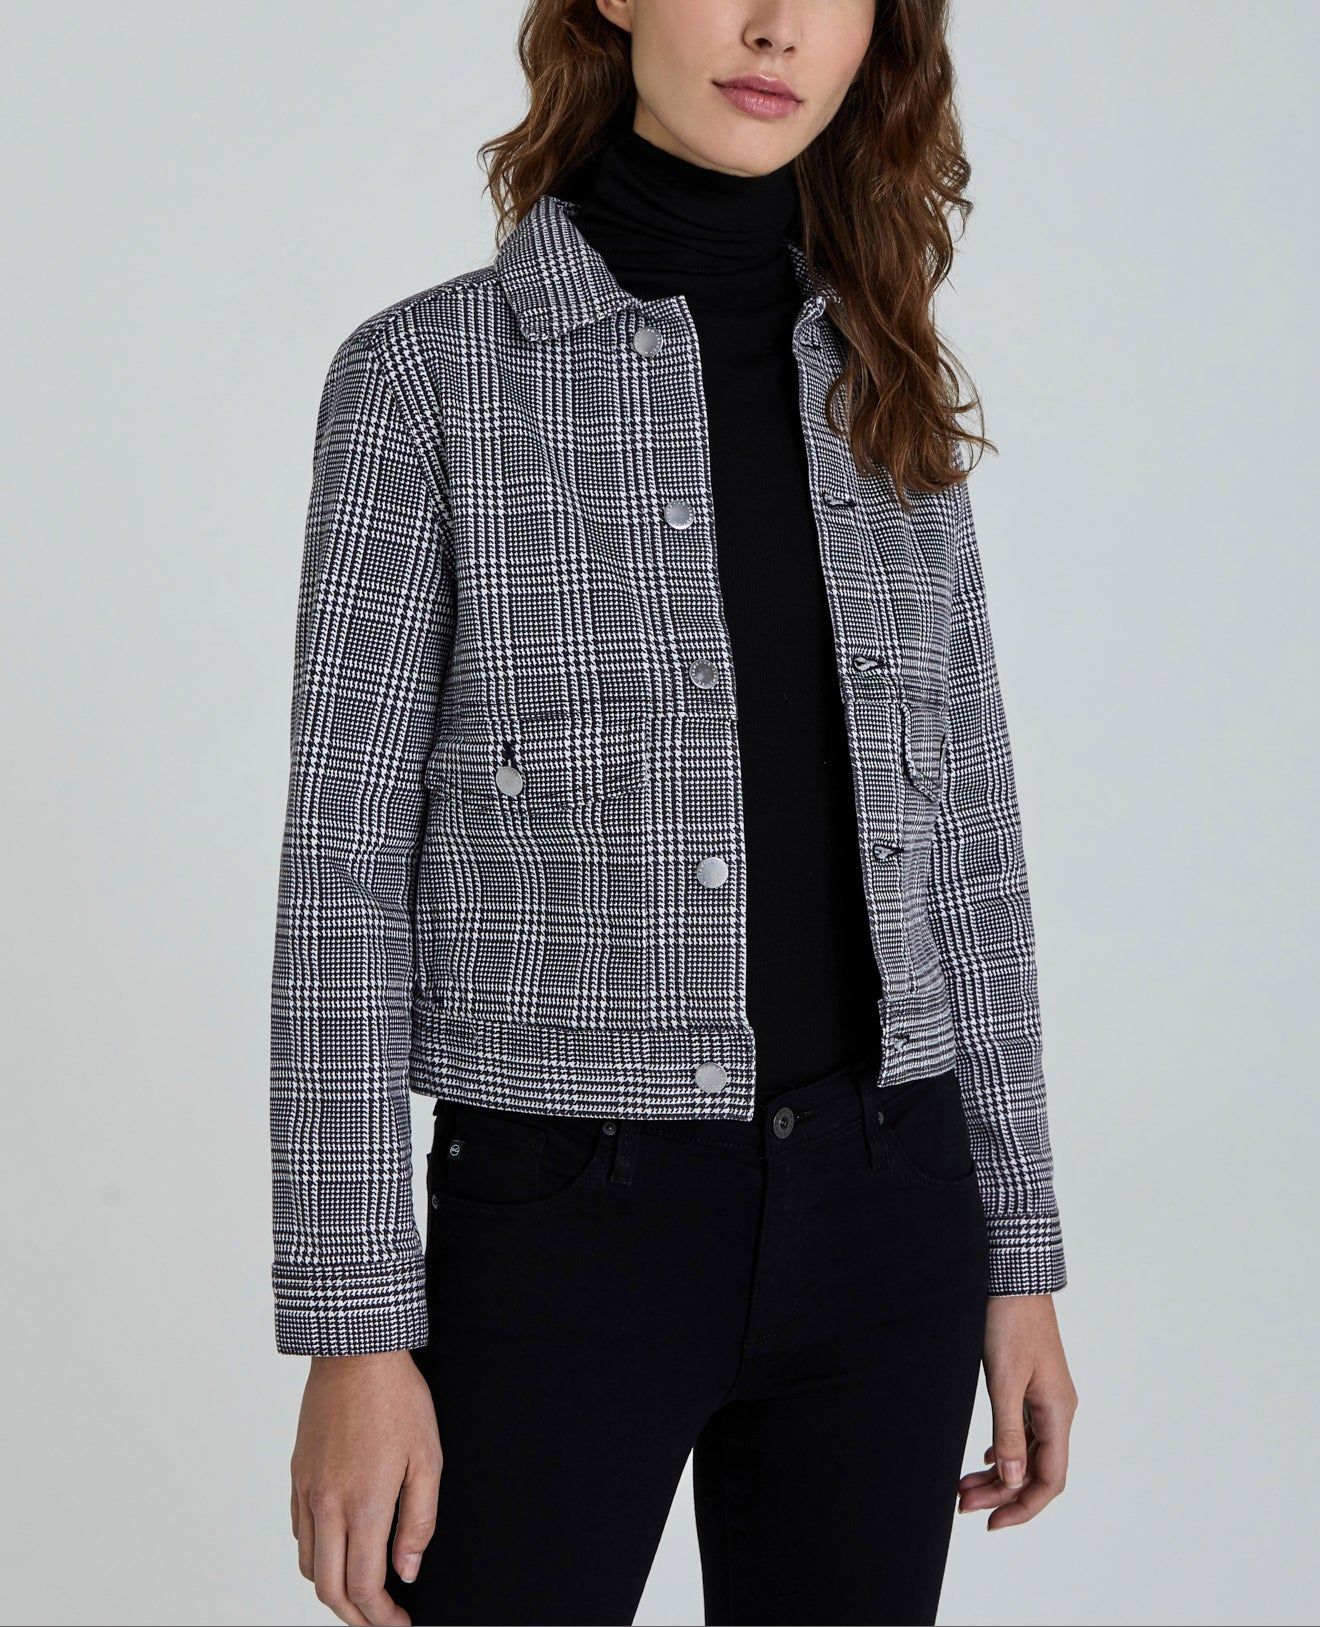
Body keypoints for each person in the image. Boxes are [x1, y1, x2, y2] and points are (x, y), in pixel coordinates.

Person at [270, 2, 1079, 1623]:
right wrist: (354, 1328)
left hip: (896, 1216)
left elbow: (973, 839)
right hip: (564, 1230)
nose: (776, 28)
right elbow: (341, 874)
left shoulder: (888, 380)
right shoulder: (429, 378)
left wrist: (1020, 1257)